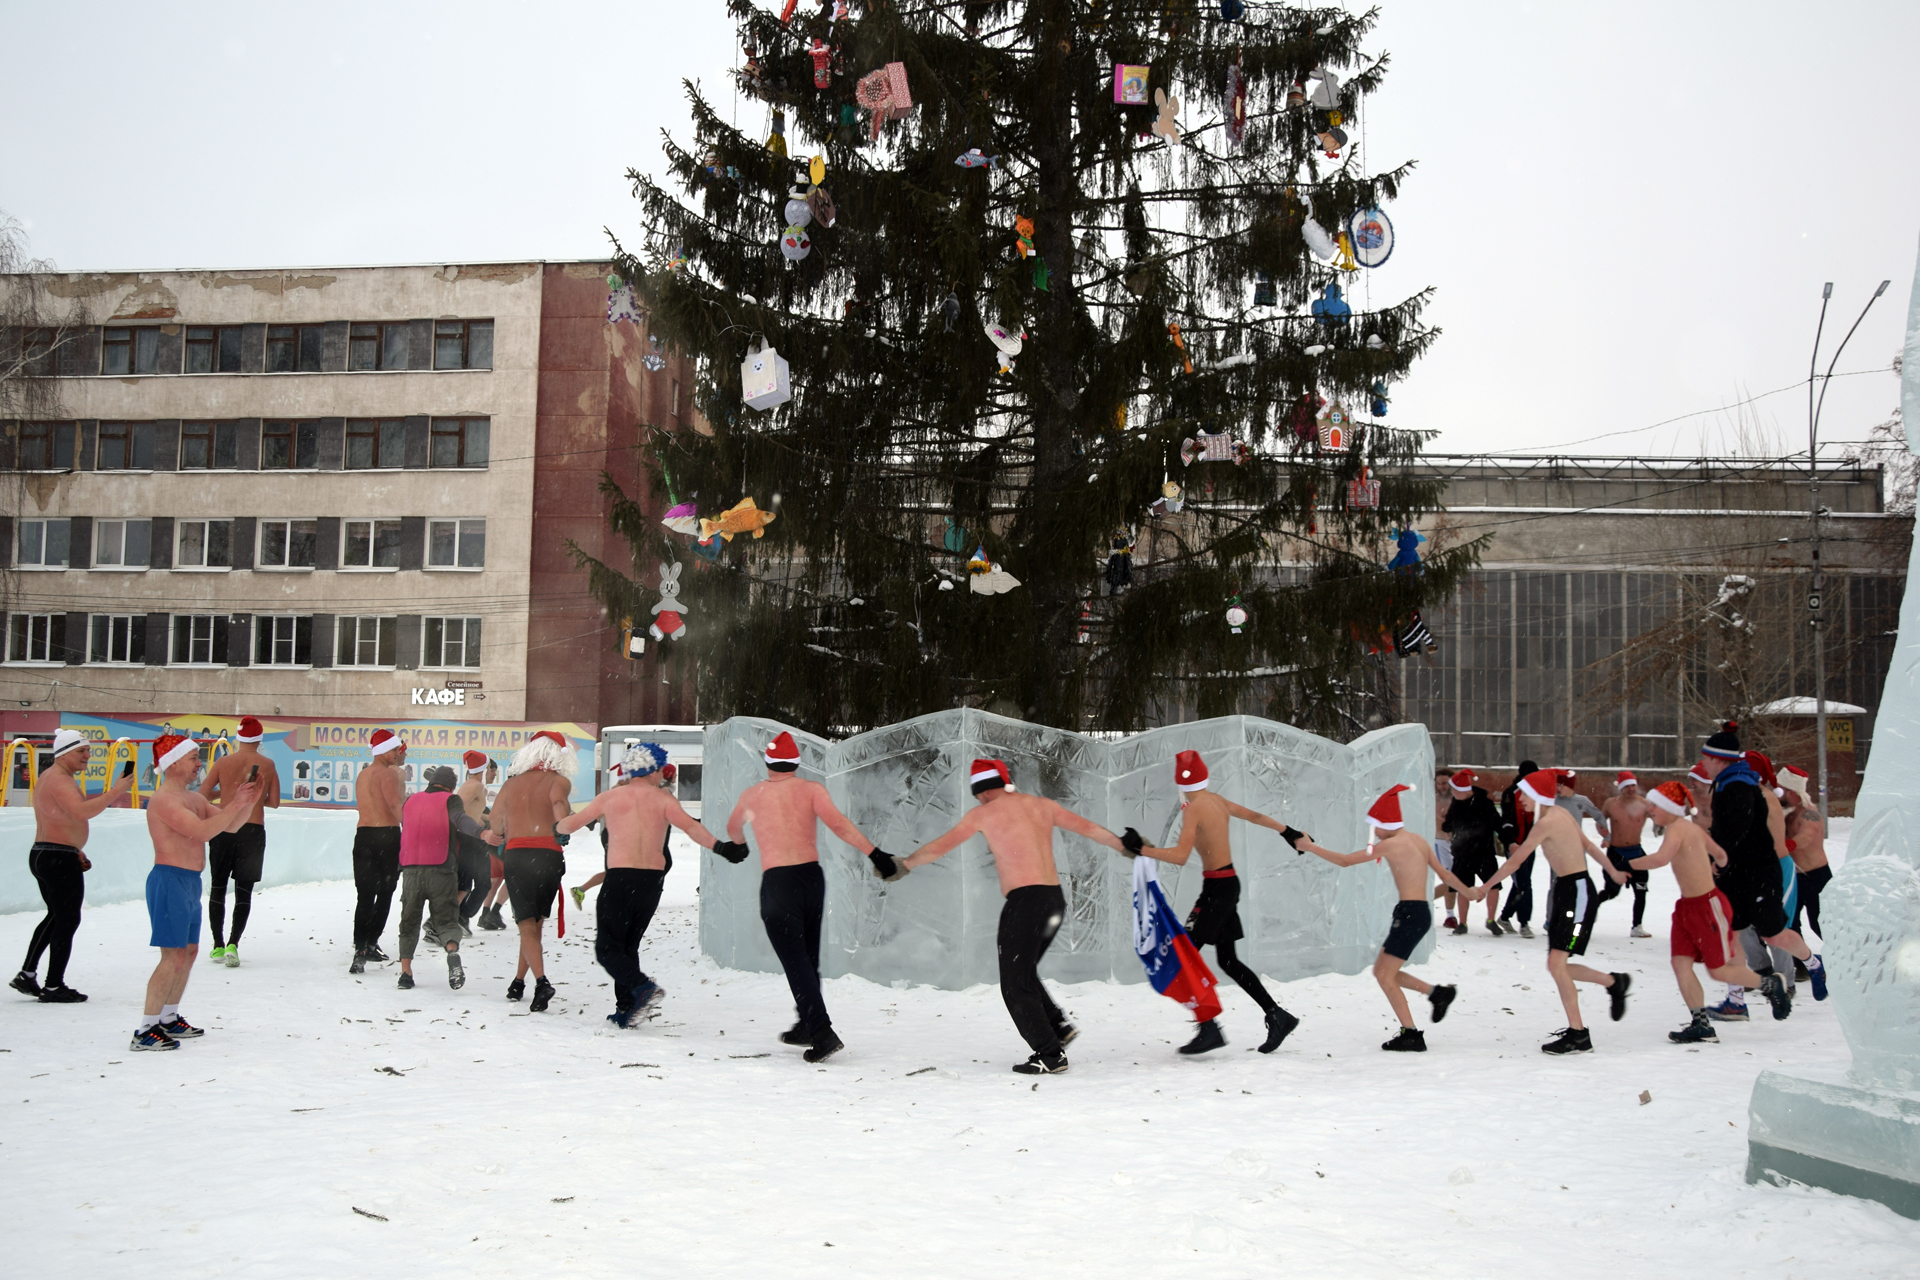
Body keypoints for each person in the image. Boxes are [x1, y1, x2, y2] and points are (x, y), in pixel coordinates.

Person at [899, 758, 1137, 1075]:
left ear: (981, 790)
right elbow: (1089, 829)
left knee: (1014, 984)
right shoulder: (1041, 805)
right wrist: (1124, 845)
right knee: (1022, 971)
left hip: (1025, 902)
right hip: (1053, 901)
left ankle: (1050, 1054)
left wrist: (904, 864)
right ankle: (1058, 1027)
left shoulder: (983, 813)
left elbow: (939, 847)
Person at [715, 731, 886, 1064]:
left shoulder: (753, 795)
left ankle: (822, 1032)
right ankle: (807, 1022)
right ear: (795, 763)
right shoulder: (811, 790)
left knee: (795, 961)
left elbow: (733, 827)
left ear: (768, 761)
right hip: (810, 879)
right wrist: (875, 853)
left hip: (778, 882)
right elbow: (838, 825)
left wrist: (742, 845)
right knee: (808, 957)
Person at [1132, 750, 1309, 1055]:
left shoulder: (1193, 809)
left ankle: (1209, 1028)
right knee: (1227, 960)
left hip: (1217, 890)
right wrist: (1286, 831)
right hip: (1227, 884)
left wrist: (1142, 850)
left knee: (1184, 955)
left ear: (1181, 783)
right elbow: (1253, 815)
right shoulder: (1217, 800)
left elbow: (1180, 856)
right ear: (1205, 777)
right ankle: (1277, 1016)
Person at [1297, 784, 1478, 1051]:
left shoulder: (1392, 845)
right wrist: (1468, 892)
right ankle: (1437, 994)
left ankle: (1412, 1034)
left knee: (1384, 975)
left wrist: (1310, 847)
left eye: (1375, 828)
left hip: (1410, 914)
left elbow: (1346, 861)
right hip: (1418, 913)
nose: (1375, 833)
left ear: (1386, 823)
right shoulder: (1417, 840)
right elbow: (1446, 875)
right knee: (1383, 972)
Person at [558, 745, 724, 1028]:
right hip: (650, 883)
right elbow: (692, 828)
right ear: (654, 770)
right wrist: (721, 847)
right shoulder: (664, 800)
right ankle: (628, 1007)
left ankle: (642, 987)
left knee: (609, 950)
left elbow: (571, 824)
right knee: (629, 945)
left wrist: (555, 827)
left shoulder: (610, 798)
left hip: (620, 879)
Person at [1483, 768, 1632, 1054]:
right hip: (1569, 892)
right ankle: (1613, 983)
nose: (1520, 799)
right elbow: (1587, 845)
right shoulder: (1558, 815)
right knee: (1557, 964)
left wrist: (1486, 887)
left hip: (1575, 895)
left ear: (1537, 794)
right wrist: (1612, 871)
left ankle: (1579, 1033)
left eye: (1524, 794)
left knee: (1556, 964)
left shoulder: (1548, 821)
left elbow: (1516, 862)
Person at [1627, 781, 1789, 1042]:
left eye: (1655, 805)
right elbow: (1721, 854)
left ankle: (1770, 984)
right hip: (1686, 908)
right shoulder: (1691, 829)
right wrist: (1718, 866)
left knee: (1718, 970)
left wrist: (1626, 863)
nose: (1650, 810)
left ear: (1671, 808)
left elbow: (1660, 859)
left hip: (1707, 907)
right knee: (1680, 963)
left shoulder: (1678, 829)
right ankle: (1700, 1024)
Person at [133, 734, 261, 1051]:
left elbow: (229, 826)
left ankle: (168, 1017)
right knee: (172, 955)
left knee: (188, 953)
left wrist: (248, 802)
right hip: (169, 880)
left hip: (189, 882)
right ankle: (145, 1030)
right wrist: (235, 803)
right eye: (193, 758)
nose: (199, 764)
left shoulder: (193, 799)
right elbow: (203, 832)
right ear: (174, 762)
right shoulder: (164, 800)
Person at [1696, 725, 1826, 1021]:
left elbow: (1737, 829)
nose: (1703, 763)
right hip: (1737, 871)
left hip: (1759, 872)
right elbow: (1726, 829)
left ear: (1719, 759)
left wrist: (1718, 856)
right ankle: (1736, 1001)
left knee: (1775, 933)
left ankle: (1814, 965)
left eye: (1706, 758)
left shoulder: (1740, 785)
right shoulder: (1726, 782)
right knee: (1734, 933)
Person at [13, 729, 132, 1003]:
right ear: (64, 753)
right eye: (81, 751)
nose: (88, 756)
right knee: (67, 919)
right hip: (56, 858)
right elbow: (82, 811)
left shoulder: (51, 777)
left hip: (49, 853)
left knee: (56, 916)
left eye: (88, 750)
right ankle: (53, 985)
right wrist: (116, 791)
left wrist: (74, 847)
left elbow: (61, 818)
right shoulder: (59, 780)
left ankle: (28, 974)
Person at [483, 731, 581, 1012]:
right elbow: (560, 806)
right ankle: (518, 982)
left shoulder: (511, 785)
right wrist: (562, 826)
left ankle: (540, 982)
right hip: (549, 856)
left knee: (525, 924)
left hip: (517, 856)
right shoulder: (558, 781)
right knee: (535, 923)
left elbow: (497, 825)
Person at [395, 765, 491, 990]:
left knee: (409, 921)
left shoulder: (410, 801)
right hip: (441, 868)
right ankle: (451, 952)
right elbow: (461, 819)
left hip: (410, 870)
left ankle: (405, 974)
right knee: (446, 919)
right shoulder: (450, 800)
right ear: (450, 786)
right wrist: (481, 832)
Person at [198, 716, 281, 967]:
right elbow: (275, 801)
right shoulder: (268, 764)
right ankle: (234, 943)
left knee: (219, 888)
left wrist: (226, 794)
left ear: (238, 738)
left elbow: (201, 795)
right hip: (253, 832)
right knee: (244, 892)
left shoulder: (223, 762)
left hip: (224, 827)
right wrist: (255, 797)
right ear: (259, 740)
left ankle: (217, 945)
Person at [349, 729, 406, 973]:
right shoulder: (387, 774)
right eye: (395, 749)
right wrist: (412, 834)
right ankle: (371, 943)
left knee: (364, 895)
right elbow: (395, 806)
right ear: (384, 750)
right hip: (386, 837)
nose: (397, 753)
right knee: (384, 893)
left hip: (363, 837)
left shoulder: (362, 775)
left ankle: (360, 946)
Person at [1440, 769, 1502, 936]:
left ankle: (1491, 920)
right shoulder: (1456, 803)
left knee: (1494, 886)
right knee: (1462, 888)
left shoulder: (1484, 803)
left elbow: (1497, 823)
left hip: (1484, 852)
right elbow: (1450, 822)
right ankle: (1462, 923)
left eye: (1454, 790)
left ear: (1463, 790)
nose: (1452, 793)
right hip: (1462, 854)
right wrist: (1447, 827)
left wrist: (1507, 839)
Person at [1597, 770, 1654, 938]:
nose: (1631, 789)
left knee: (1641, 890)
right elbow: (1600, 822)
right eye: (1627, 786)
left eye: (1633, 786)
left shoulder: (1645, 804)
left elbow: (1660, 819)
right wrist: (1606, 836)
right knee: (1612, 892)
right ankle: (1592, 906)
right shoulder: (1610, 803)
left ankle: (1637, 926)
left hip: (1637, 853)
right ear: (1621, 788)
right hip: (1616, 853)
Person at [1780, 764, 1831, 946]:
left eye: (1780, 790)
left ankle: (1841, 957)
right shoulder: (1786, 813)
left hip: (1816, 876)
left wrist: (1788, 844)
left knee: (1820, 923)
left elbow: (1807, 835)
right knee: (1789, 922)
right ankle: (1801, 964)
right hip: (1794, 877)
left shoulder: (1809, 813)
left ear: (1791, 793)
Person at [1494, 759, 1540, 938]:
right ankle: (1524, 922)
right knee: (1524, 884)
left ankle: (1505, 917)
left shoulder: (1537, 793)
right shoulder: (1511, 793)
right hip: (1515, 846)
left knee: (1521, 882)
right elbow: (1506, 821)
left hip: (1530, 845)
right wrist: (1511, 842)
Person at [453, 751, 494, 936]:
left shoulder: (476, 786)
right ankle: (448, 919)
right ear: (483, 769)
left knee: (482, 883)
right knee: (467, 884)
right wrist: (473, 823)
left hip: (474, 838)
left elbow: (472, 811)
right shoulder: (474, 786)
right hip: (468, 838)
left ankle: (460, 917)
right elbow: (456, 808)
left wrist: (487, 819)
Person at [474, 758, 511, 930]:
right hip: (501, 840)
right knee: (513, 878)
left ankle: (485, 914)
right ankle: (493, 913)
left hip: (491, 841)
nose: (495, 774)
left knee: (495, 879)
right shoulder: (515, 790)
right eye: (492, 771)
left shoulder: (501, 790)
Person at [1432, 771, 1457, 929]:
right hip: (1440, 842)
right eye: (1440, 783)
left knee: (1455, 879)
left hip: (1457, 843)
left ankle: (1450, 914)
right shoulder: (1432, 798)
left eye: (1445, 783)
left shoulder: (1457, 798)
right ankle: (1450, 915)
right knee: (1450, 880)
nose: (1443, 786)